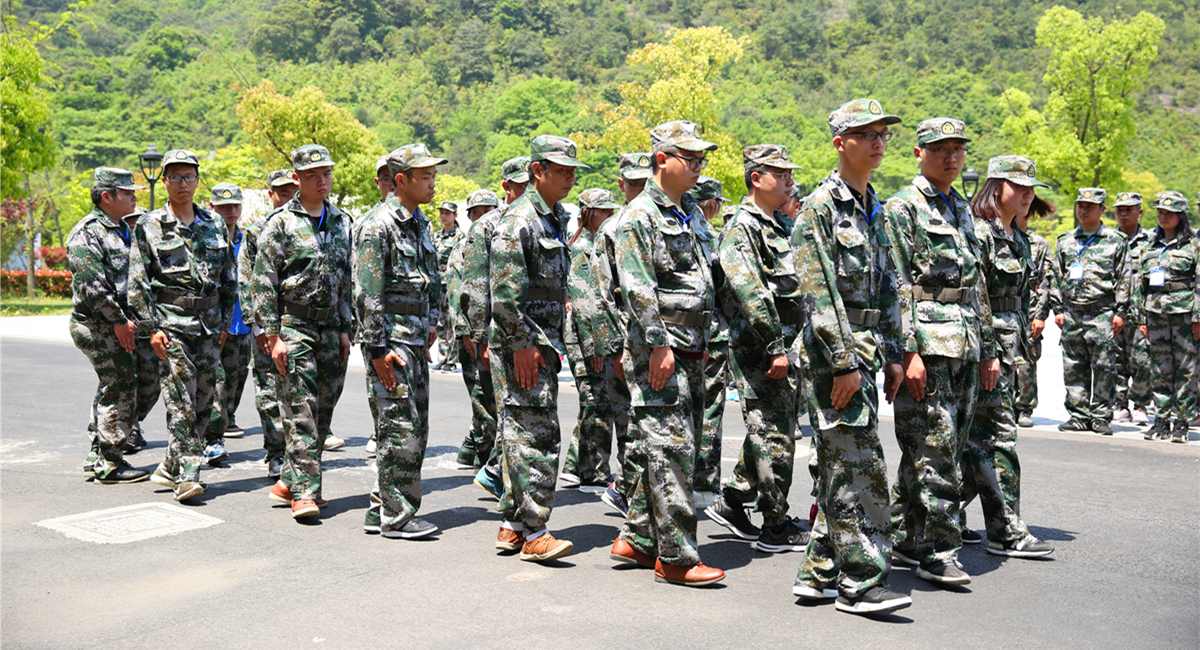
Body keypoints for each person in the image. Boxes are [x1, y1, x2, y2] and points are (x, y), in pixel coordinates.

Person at [792, 99, 909, 615]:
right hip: (832, 355)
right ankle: (860, 583)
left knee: (844, 464)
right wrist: (842, 363)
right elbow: (817, 294)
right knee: (861, 469)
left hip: (864, 349)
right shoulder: (820, 207)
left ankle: (818, 572)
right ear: (841, 143)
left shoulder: (871, 206)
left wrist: (896, 351)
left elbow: (886, 286)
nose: (878, 142)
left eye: (882, 133)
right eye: (866, 134)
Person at [608, 120, 724, 587]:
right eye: (689, 159)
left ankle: (638, 538)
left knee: (674, 446)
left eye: (701, 160)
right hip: (663, 349)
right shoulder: (639, 217)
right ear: (661, 160)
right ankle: (676, 557)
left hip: (694, 346)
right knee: (672, 449)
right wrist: (657, 344)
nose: (697, 167)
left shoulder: (689, 211)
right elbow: (637, 288)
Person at [882, 117, 998, 586]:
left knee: (939, 449)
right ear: (918, 152)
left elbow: (977, 285)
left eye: (958, 149)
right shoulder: (902, 208)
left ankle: (902, 537)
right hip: (928, 347)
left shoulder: (962, 209)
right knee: (936, 452)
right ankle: (938, 547)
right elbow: (895, 286)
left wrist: (988, 348)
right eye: (940, 148)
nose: (951, 157)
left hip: (966, 342)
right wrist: (906, 352)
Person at [706, 146, 808, 555]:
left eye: (789, 173)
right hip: (761, 349)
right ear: (756, 178)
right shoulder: (742, 228)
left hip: (783, 345)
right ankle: (775, 523)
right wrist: (774, 346)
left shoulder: (775, 225)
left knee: (770, 429)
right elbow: (751, 293)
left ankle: (733, 500)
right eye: (779, 174)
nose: (788, 180)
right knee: (774, 436)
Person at [489, 135, 585, 562]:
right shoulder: (520, 220)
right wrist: (522, 343)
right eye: (560, 170)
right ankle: (535, 531)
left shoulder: (555, 217)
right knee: (536, 437)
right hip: (522, 344)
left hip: (542, 343)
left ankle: (512, 524)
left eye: (571, 171)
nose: (568, 178)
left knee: (520, 434)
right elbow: (504, 295)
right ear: (537, 172)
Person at [961, 155, 1055, 559]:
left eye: (1031, 188)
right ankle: (1004, 529)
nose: (1027, 195)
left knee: (973, 443)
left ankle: (913, 520)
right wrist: (988, 352)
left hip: (1011, 347)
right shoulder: (979, 233)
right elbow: (976, 296)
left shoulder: (1018, 237)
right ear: (996, 186)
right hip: (988, 350)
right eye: (1019, 187)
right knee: (998, 438)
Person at [253, 144, 353, 520]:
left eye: (326, 173)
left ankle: (286, 481)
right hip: (294, 325)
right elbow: (263, 282)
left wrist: (346, 328)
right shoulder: (280, 223)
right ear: (296, 179)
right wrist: (271, 335)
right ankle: (306, 493)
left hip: (331, 326)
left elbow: (346, 279)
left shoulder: (342, 221)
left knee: (324, 408)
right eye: (312, 175)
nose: (321, 180)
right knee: (301, 411)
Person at [130, 149, 236, 503]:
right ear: (164, 181)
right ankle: (189, 474)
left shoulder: (214, 224)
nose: (183, 183)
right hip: (171, 325)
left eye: (189, 177)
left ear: (197, 180)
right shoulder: (148, 225)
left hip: (208, 326)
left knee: (206, 399)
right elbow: (138, 283)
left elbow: (228, 277)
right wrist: (152, 329)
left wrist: (224, 321)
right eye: (175, 177)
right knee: (181, 402)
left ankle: (171, 463)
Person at [354, 143, 446, 538]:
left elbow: (431, 277)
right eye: (425, 176)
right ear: (401, 180)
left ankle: (382, 509)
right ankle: (398, 517)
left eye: (433, 175)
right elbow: (367, 293)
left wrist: (434, 320)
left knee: (412, 428)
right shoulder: (378, 226)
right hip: (391, 343)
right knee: (399, 431)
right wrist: (377, 350)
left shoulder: (418, 222)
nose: (432, 182)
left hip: (413, 341)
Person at [68, 167, 156, 484]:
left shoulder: (125, 229)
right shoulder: (86, 233)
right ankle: (109, 461)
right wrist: (118, 320)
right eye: (127, 192)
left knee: (148, 383)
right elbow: (92, 286)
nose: (134, 196)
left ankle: (101, 447)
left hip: (127, 324)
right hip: (98, 325)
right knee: (118, 385)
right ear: (107, 197)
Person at [461, 156, 529, 498]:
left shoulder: (536, 220)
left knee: (516, 410)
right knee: (500, 408)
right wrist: (478, 336)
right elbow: (475, 286)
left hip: (526, 334)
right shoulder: (486, 226)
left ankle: (498, 473)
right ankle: (498, 475)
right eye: (519, 185)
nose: (525, 191)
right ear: (506, 187)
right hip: (495, 333)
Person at [560, 188, 627, 494]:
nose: (609, 216)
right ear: (588, 213)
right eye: (604, 211)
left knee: (596, 403)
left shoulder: (599, 244)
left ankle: (578, 465)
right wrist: (597, 346)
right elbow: (584, 302)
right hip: (586, 336)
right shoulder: (581, 249)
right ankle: (594, 469)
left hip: (594, 334)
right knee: (596, 403)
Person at [1050, 188, 1129, 435]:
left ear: (1102, 210)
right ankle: (1078, 415)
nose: (1083, 210)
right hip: (1072, 311)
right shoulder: (1065, 241)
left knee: (1104, 366)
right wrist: (1058, 308)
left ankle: (1101, 416)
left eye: (1089, 206)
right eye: (1080, 205)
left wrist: (1121, 311)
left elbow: (1125, 277)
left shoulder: (1115, 241)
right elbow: (1055, 276)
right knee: (1074, 365)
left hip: (1102, 311)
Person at [238, 170, 297, 479]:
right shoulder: (256, 231)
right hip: (267, 325)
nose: (286, 197)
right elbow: (247, 281)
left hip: (300, 322)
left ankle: (298, 452)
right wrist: (259, 327)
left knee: (299, 391)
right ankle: (276, 452)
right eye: (281, 192)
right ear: (270, 194)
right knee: (268, 389)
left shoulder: (309, 227)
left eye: (291, 191)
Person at [1131, 191, 1198, 443]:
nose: (1163, 216)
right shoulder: (1150, 245)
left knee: (1186, 369)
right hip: (1155, 312)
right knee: (1159, 367)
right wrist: (1140, 318)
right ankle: (1161, 419)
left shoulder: (1194, 245)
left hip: (1184, 313)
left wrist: (1198, 317)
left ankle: (1181, 421)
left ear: (1181, 216)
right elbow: (1139, 284)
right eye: (1160, 211)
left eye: (1168, 213)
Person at [686, 176, 730, 512]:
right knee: (706, 411)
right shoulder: (694, 229)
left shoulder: (701, 229)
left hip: (707, 334)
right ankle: (702, 482)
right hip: (706, 335)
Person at [453, 188, 502, 471]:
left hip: (496, 330)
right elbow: (456, 292)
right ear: (470, 216)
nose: (484, 216)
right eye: (478, 212)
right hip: (473, 331)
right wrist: (467, 331)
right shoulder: (465, 246)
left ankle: (473, 449)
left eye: (488, 210)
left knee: (493, 399)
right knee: (481, 399)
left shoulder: (500, 240)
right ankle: (485, 458)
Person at [204, 183, 251, 465]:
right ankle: (213, 438)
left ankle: (225, 421)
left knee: (236, 380)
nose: (230, 212)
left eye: (234, 206)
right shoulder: (207, 241)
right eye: (223, 208)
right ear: (212, 209)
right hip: (213, 325)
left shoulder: (248, 240)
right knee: (217, 383)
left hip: (242, 324)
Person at [1112, 192, 1154, 425]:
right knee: (1116, 360)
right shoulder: (1108, 239)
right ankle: (1119, 404)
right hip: (1114, 312)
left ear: (1140, 212)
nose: (1124, 213)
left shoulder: (1150, 241)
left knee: (1142, 360)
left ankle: (1140, 403)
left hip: (1142, 312)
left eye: (1129, 209)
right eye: (1120, 209)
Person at [1014, 199, 1054, 428]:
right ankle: (1006, 404)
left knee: (1028, 361)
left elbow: (1046, 282)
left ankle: (1025, 406)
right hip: (1006, 308)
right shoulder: (1002, 237)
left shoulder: (1037, 244)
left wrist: (1040, 315)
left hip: (1029, 310)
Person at [433, 201, 462, 371]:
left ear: (455, 215)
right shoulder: (436, 236)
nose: (444, 216)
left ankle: (451, 360)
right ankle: (442, 357)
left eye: (447, 213)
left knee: (452, 322)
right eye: (442, 213)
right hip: (438, 284)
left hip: (453, 284)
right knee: (440, 323)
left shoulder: (460, 237)